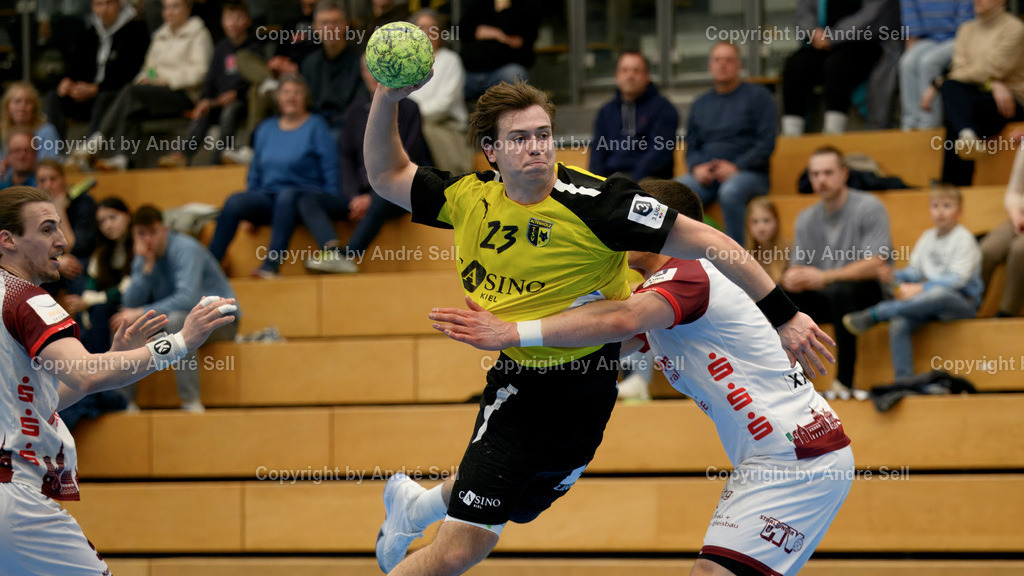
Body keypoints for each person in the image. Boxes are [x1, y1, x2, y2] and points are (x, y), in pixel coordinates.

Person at [364, 78, 833, 576]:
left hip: (590, 391)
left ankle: (416, 506)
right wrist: (387, 98)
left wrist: (785, 314)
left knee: (519, 505)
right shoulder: (467, 198)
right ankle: (418, 515)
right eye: (520, 138)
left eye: (543, 134)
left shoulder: (598, 204)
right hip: (521, 388)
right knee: (460, 550)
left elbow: (698, 254)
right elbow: (387, 172)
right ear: (491, 151)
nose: (536, 147)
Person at [428, 179, 852, 576]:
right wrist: (518, 337)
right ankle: (419, 505)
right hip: (774, 457)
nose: (618, 228)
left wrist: (513, 331)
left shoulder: (691, 271)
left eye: (629, 217)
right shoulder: (667, 298)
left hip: (799, 455)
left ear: (657, 224)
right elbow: (604, 345)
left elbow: (621, 319)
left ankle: (420, 505)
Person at [0, 185, 235, 574]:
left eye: (59, 227)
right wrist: (181, 341)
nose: (61, 240)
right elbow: (85, 374)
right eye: (45, 229)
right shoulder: (27, 300)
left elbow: (40, 402)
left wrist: (110, 358)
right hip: (16, 498)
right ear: (7, 240)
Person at [781, 147, 892, 400]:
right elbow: (799, 267)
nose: (821, 179)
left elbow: (876, 263)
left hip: (869, 291)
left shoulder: (869, 206)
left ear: (844, 174)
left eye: (828, 172)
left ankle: (844, 382)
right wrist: (791, 278)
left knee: (839, 291)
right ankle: (791, 379)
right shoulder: (806, 217)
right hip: (827, 294)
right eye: (815, 174)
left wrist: (825, 277)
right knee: (780, 295)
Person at [303, 54, 431, 274]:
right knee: (306, 198)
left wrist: (371, 195)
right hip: (360, 194)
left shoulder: (410, 108)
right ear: (362, 74)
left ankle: (349, 254)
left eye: (381, 68)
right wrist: (354, 196)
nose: (374, 75)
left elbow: (407, 158)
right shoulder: (355, 110)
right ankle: (331, 249)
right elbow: (347, 158)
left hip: (397, 193)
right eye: (369, 69)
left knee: (383, 196)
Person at [843, 185, 982, 380]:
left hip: (961, 302)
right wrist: (894, 276)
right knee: (899, 324)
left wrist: (921, 288)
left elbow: (958, 280)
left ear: (959, 211)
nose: (940, 211)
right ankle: (904, 381)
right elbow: (915, 272)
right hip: (925, 302)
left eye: (947, 205)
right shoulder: (927, 238)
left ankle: (878, 313)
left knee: (938, 294)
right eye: (935, 205)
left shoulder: (964, 239)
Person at [206, 74, 339, 278]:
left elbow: (330, 165)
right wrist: (250, 214)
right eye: (286, 93)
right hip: (269, 197)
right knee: (234, 201)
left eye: (297, 93)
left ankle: (271, 265)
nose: (291, 97)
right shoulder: (265, 128)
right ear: (278, 97)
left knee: (287, 196)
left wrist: (331, 197)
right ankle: (210, 266)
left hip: (304, 196)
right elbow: (256, 171)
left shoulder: (316, 125)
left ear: (306, 97)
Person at [115, 205, 240, 413]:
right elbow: (130, 302)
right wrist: (145, 268)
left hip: (223, 320)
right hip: (178, 317)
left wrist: (140, 311)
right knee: (125, 326)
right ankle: (125, 404)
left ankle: (191, 401)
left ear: (164, 229)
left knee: (176, 322)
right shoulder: (144, 256)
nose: (147, 240)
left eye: (152, 232)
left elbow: (188, 299)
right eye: (140, 234)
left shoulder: (185, 249)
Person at [80, 0, 215, 171]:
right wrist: (148, 78)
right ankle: (124, 159)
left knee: (132, 93)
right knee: (130, 102)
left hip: (184, 94)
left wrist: (166, 79)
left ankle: (98, 139)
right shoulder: (160, 35)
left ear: (188, 9)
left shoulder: (199, 34)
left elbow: (200, 72)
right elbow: (149, 69)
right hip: (156, 91)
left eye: (175, 7)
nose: (169, 12)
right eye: (166, 7)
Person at [677, 42, 775, 244]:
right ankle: (685, 258)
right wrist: (697, 168)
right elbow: (692, 146)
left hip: (750, 174)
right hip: (707, 175)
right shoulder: (700, 103)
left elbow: (767, 143)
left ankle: (734, 260)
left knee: (730, 191)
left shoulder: (759, 97)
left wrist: (736, 167)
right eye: (717, 60)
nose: (722, 65)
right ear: (709, 66)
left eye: (729, 60)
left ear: (740, 65)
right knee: (678, 191)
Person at [928, 0, 1024, 185]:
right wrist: (991, 83)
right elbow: (960, 67)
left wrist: (941, 80)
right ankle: (967, 135)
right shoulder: (966, 29)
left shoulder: (1015, 29)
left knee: (959, 107)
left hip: (1011, 99)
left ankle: (951, 187)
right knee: (953, 91)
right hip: (976, 94)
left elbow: (992, 68)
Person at [160, 0, 259, 167]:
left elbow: (256, 80)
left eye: (238, 18)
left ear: (248, 20)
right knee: (202, 113)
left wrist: (237, 93)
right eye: (229, 18)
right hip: (218, 100)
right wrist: (204, 100)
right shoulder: (220, 49)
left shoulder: (254, 47)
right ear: (222, 21)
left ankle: (220, 157)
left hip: (242, 101)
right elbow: (210, 80)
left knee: (230, 111)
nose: (233, 23)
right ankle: (184, 155)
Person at [44, 0, 151, 141]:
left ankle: (90, 148)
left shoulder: (136, 31)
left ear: (119, 4)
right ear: (93, 7)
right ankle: (53, 151)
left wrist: (96, 88)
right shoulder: (89, 33)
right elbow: (75, 65)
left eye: (109, 3)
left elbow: (131, 73)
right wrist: (68, 81)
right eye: (99, 4)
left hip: (115, 96)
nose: (104, 9)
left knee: (104, 97)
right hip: (85, 95)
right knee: (55, 96)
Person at [780, 0, 889, 135]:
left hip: (864, 41)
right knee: (795, 65)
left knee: (837, 65)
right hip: (822, 42)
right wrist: (813, 31)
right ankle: (791, 134)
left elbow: (871, 15)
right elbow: (803, 12)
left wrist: (834, 36)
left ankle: (833, 131)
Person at [589, 51, 679, 181]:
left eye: (636, 71)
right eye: (624, 70)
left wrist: (630, 181)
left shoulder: (663, 109)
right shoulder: (605, 112)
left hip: (650, 180)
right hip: (611, 180)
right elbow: (597, 154)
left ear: (646, 76)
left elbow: (660, 153)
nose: (630, 76)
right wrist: (595, 182)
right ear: (617, 75)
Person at [62, 197, 134, 353]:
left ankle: (98, 364)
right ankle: (89, 361)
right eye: (101, 222)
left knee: (98, 309)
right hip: (109, 305)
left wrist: (87, 301)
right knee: (87, 311)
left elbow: (127, 289)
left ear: (127, 216)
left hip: (135, 304)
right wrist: (84, 302)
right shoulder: (101, 254)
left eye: (112, 217)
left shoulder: (138, 247)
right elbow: (91, 287)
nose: (107, 225)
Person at [407, 9, 473, 174]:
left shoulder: (451, 60)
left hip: (444, 124)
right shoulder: (406, 62)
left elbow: (444, 105)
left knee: (422, 133)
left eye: (432, 28)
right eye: (421, 27)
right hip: (413, 122)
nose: (427, 32)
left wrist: (414, 115)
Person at [898, 0, 973, 130]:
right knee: (907, 62)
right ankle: (909, 124)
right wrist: (911, 54)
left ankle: (929, 125)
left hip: (957, 39)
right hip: (928, 40)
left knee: (928, 62)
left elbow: (965, 28)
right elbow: (912, 28)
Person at [299, 0, 362, 144]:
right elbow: (306, 104)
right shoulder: (309, 63)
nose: (330, 28)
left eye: (335, 22)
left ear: (346, 25)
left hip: (348, 126)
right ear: (315, 27)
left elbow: (360, 105)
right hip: (315, 125)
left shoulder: (360, 61)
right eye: (324, 23)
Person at [35, 159, 98, 297]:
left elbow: (75, 246)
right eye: (42, 180)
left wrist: (60, 210)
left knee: (75, 269)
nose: (48, 185)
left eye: (53, 179)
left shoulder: (83, 202)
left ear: (63, 180)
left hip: (78, 260)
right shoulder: (34, 209)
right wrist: (56, 262)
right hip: (51, 261)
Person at [979, 130, 1024, 316]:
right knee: (987, 249)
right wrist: (1015, 215)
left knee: (1019, 250)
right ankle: (969, 304)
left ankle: (1007, 312)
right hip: (1020, 215)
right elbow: (1014, 190)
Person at [460, 0, 542, 100]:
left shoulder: (524, 8)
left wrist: (498, 35)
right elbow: (461, 29)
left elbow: (519, 42)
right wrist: (495, 34)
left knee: (514, 75)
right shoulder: (478, 5)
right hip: (471, 73)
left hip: (502, 72)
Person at [0, 83, 60, 167]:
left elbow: (51, 165)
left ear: (34, 108)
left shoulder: (47, 131)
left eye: (28, 102)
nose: (22, 107)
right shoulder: (3, 132)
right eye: (17, 101)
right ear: (7, 107)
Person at [746, 197, 790, 284]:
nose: (761, 228)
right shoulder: (745, 255)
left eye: (766, 221)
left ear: (776, 223)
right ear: (748, 226)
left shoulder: (789, 250)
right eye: (755, 222)